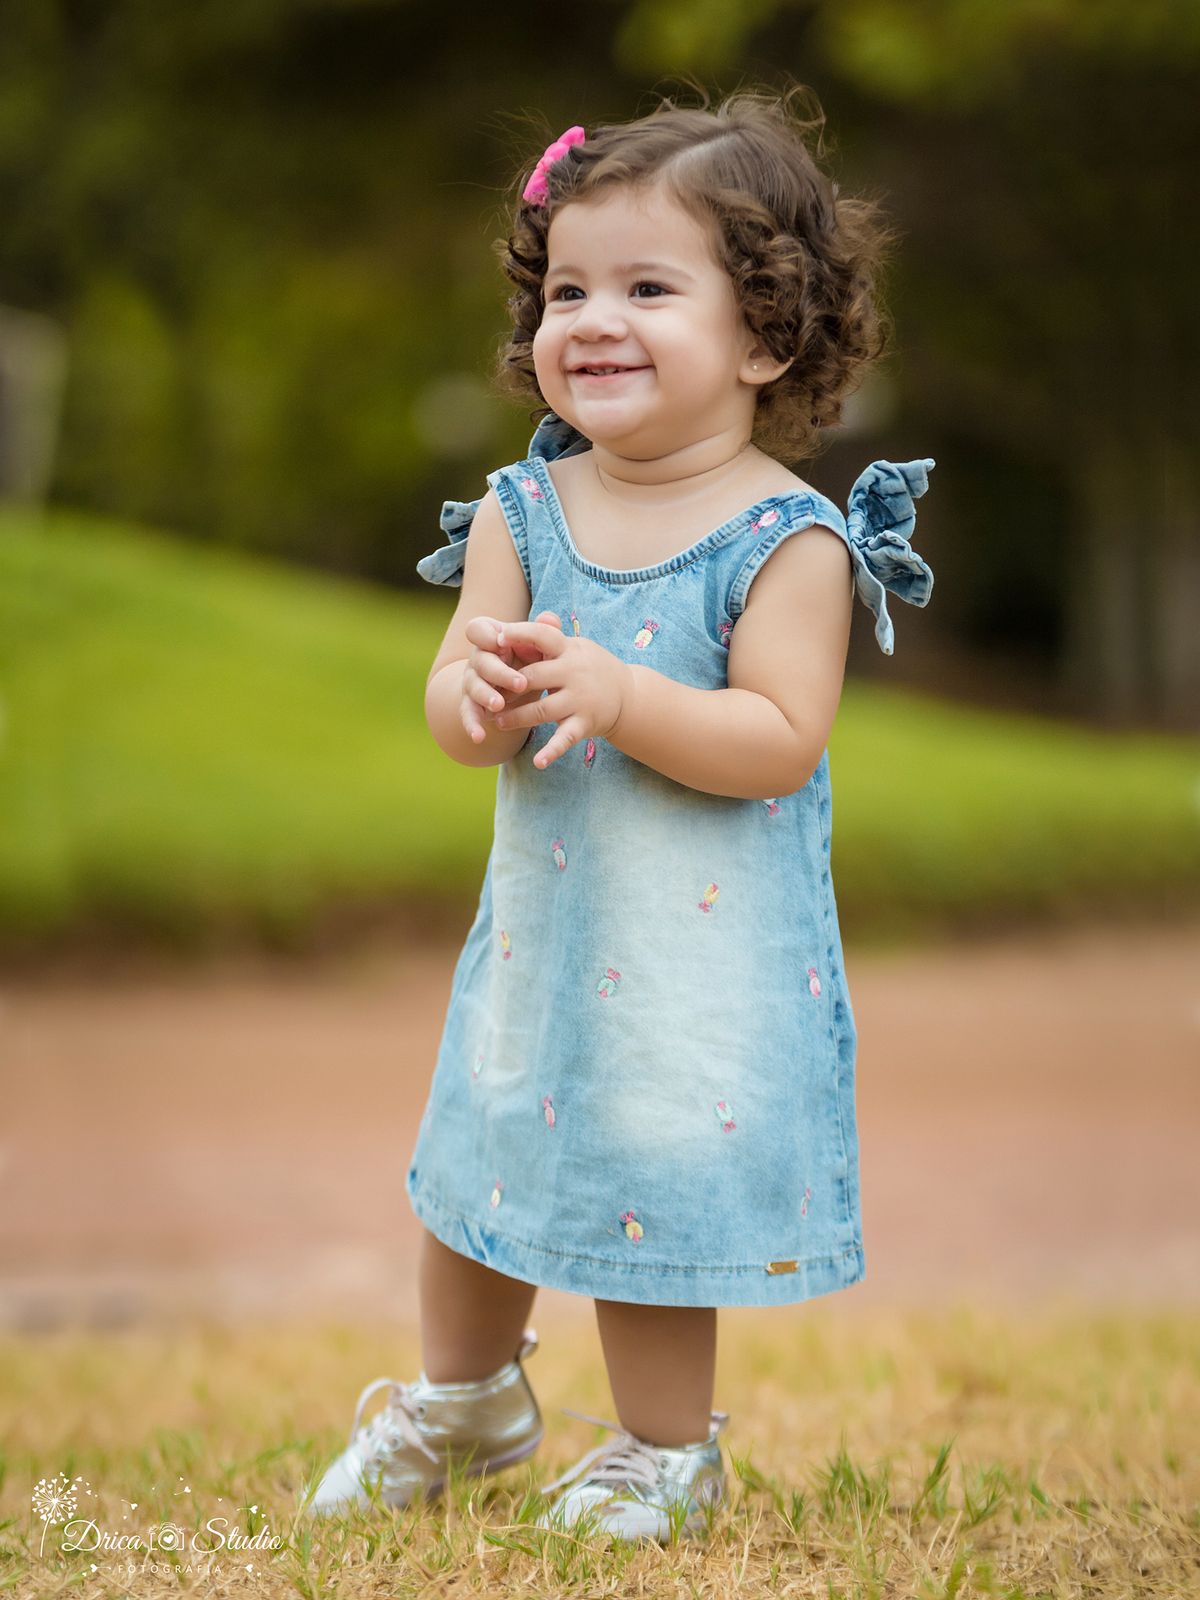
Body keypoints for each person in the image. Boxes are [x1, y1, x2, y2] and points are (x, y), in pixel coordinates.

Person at [309, 91, 933, 1540]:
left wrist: (625, 693)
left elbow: (780, 739)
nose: (593, 320)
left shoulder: (785, 541)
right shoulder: (522, 513)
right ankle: (466, 1402)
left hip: (689, 968)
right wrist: (474, 698)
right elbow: (456, 703)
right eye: (568, 290)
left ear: (765, 336)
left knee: (646, 1191)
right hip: (543, 944)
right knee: (480, 1158)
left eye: (649, 289)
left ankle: (663, 1453)